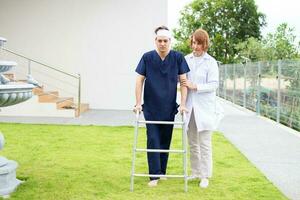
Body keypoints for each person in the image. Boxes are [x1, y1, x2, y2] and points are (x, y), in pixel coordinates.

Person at [134, 25, 190, 187]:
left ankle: (162, 172)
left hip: (169, 107)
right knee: (153, 140)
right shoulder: (147, 58)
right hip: (151, 107)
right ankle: (154, 176)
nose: (163, 44)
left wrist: (183, 104)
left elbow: (184, 82)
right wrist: (138, 103)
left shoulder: (178, 58)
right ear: (155, 41)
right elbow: (139, 81)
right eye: (160, 41)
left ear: (170, 41)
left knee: (165, 140)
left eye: (165, 41)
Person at [183, 28, 223, 188]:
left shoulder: (211, 62)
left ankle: (205, 175)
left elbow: (214, 85)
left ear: (204, 44)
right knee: (192, 142)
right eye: (193, 42)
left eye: (198, 43)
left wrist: (196, 86)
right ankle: (195, 172)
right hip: (190, 107)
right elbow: (182, 79)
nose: (195, 46)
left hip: (205, 108)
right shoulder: (186, 59)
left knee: (204, 143)